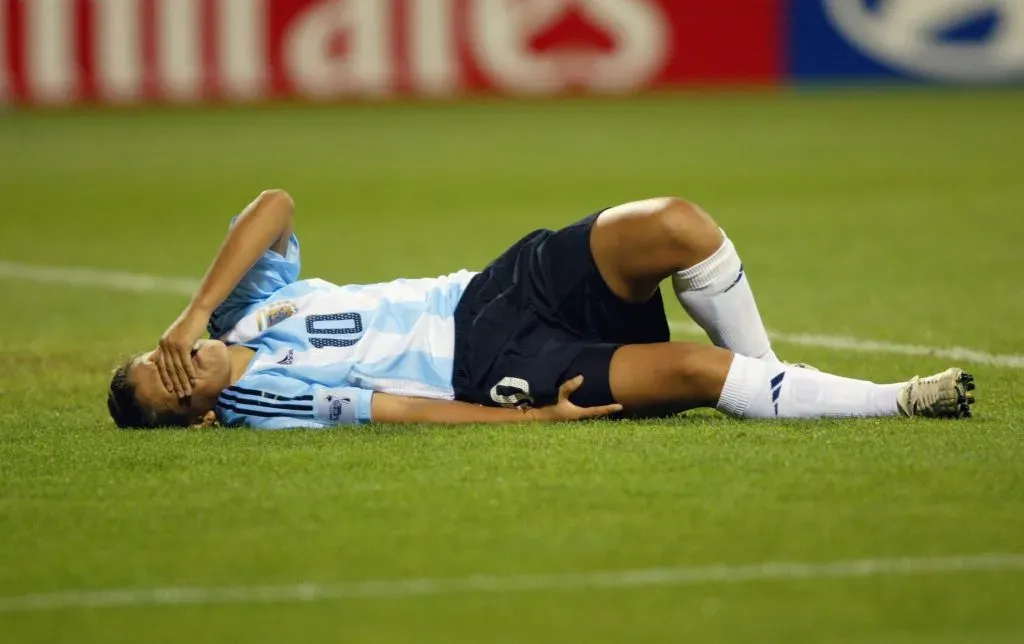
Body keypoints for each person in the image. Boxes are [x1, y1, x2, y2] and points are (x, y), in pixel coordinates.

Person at [107, 190, 975, 429]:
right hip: (488, 370)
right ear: (200, 417)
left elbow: (275, 205)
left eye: (163, 360)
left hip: (494, 289)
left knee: (682, 225)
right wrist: (527, 423)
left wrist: (189, 319)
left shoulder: (246, 313)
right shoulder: (266, 400)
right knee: (699, 375)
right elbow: (399, 407)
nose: (182, 366)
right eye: (175, 387)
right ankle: (896, 398)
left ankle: (776, 379)